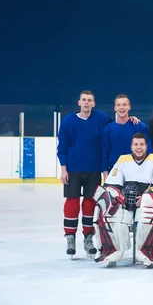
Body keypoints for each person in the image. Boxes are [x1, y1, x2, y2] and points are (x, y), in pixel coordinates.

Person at [93, 133, 153, 268]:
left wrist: (145, 196)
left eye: (142, 145)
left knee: (149, 210)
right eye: (136, 145)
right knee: (110, 210)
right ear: (131, 146)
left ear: (147, 146)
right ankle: (112, 250)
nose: (139, 148)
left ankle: (148, 252)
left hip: (146, 197)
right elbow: (112, 184)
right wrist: (118, 198)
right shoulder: (123, 160)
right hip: (125, 199)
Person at [58, 90, 113, 259]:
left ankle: (88, 237)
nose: (87, 103)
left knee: (90, 203)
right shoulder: (68, 121)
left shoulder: (101, 118)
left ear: (94, 103)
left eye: (90, 100)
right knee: (72, 203)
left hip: (93, 169)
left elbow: (116, 125)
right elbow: (62, 147)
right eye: (84, 100)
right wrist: (63, 169)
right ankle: (70, 237)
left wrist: (133, 121)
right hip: (73, 169)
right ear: (79, 103)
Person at [102, 94, 152, 179]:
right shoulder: (108, 129)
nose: (121, 107)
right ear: (115, 108)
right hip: (115, 173)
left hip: (138, 173)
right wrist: (106, 176)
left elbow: (149, 151)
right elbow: (104, 153)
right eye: (119, 105)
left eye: (124, 105)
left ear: (129, 107)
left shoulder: (140, 126)